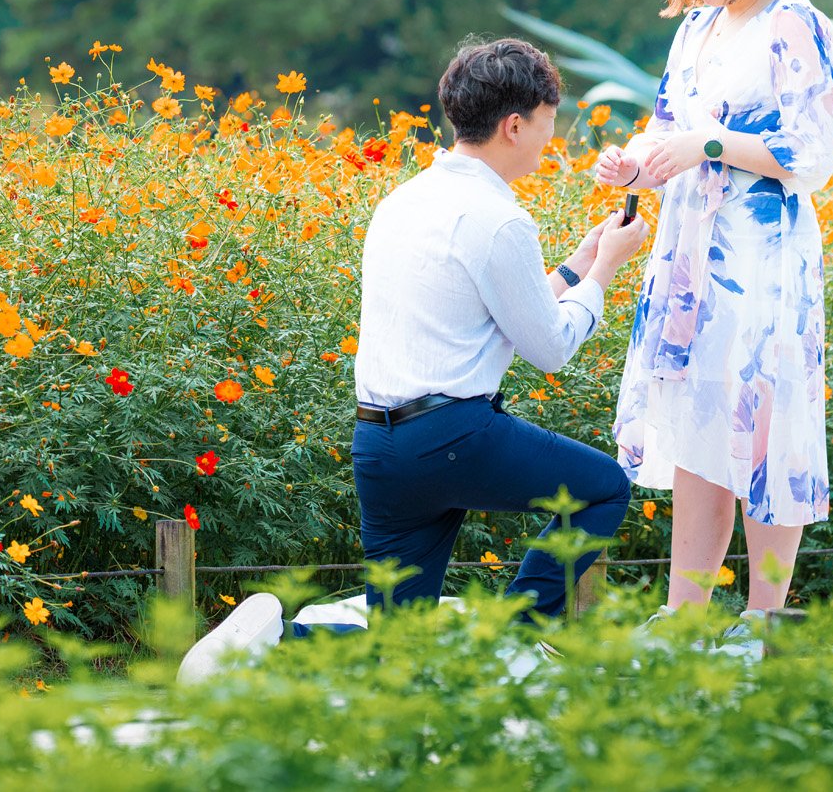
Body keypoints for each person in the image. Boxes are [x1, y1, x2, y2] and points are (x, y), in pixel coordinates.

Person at [180, 38, 648, 682]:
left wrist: (579, 263)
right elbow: (551, 348)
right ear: (514, 125)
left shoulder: (404, 201)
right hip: (454, 436)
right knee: (602, 490)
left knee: (397, 651)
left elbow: (494, 307)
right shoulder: (499, 219)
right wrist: (610, 269)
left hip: (381, 446)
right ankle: (514, 638)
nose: (549, 140)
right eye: (546, 124)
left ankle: (269, 649)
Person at [594, 0, 833, 628]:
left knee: (764, 427)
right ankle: (685, 615)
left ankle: (766, 618)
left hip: (761, 255)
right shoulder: (695, 29)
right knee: (701, 424)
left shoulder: (795, 21)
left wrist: (706, 143)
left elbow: (812, 150)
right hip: (688, 256)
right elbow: (667, 120)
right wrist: (634, 163)